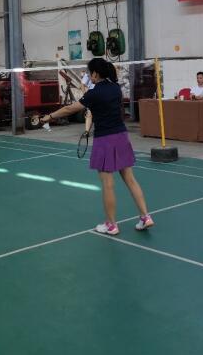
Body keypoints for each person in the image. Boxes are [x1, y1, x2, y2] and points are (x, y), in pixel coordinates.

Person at [41, 58, 153, 235]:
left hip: (105, 140)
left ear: (95, 73)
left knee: (108, 184)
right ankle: (145, 216)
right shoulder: (115, 88)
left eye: (89, 72)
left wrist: (49, 116)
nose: (88, 75)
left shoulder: (94, 93)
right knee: (130, 180)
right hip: (121, 137)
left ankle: (111, 225)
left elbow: (70, 109)